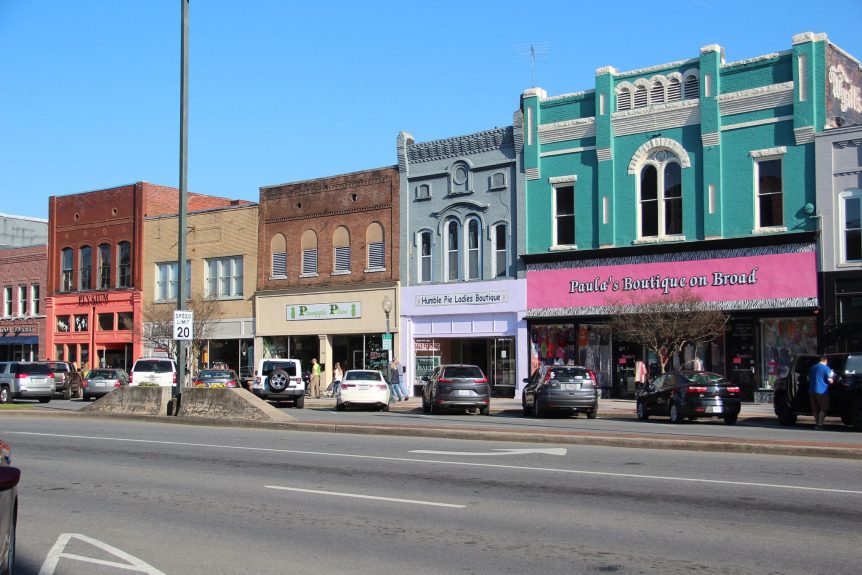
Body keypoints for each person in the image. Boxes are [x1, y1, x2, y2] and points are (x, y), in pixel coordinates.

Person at [808, 356, 833, 430]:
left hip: (811, 390)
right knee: (823, 408)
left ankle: (816, 423)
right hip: (822, 390)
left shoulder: (812, 367)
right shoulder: (826, 368)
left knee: (815, 409)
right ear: (826, 360)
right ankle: (820, 424)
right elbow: (830, 380)